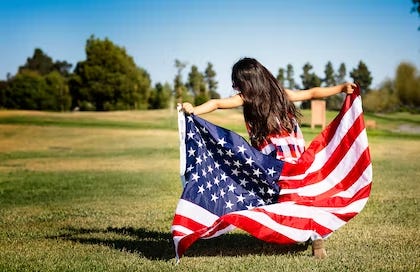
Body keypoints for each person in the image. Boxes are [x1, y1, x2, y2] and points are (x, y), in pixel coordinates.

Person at [182, 57, 356, 258]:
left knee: (279, 199)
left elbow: (218, 103)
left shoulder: (248, 98)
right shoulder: (282, 94)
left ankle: (296, 234)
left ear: (248, 81)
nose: (234, 86)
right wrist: (341, 88)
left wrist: (194, 109)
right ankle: (313, 235)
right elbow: (312, 92)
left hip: (272, 162)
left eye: (237, 82)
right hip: (296, 159)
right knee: (302, 198)